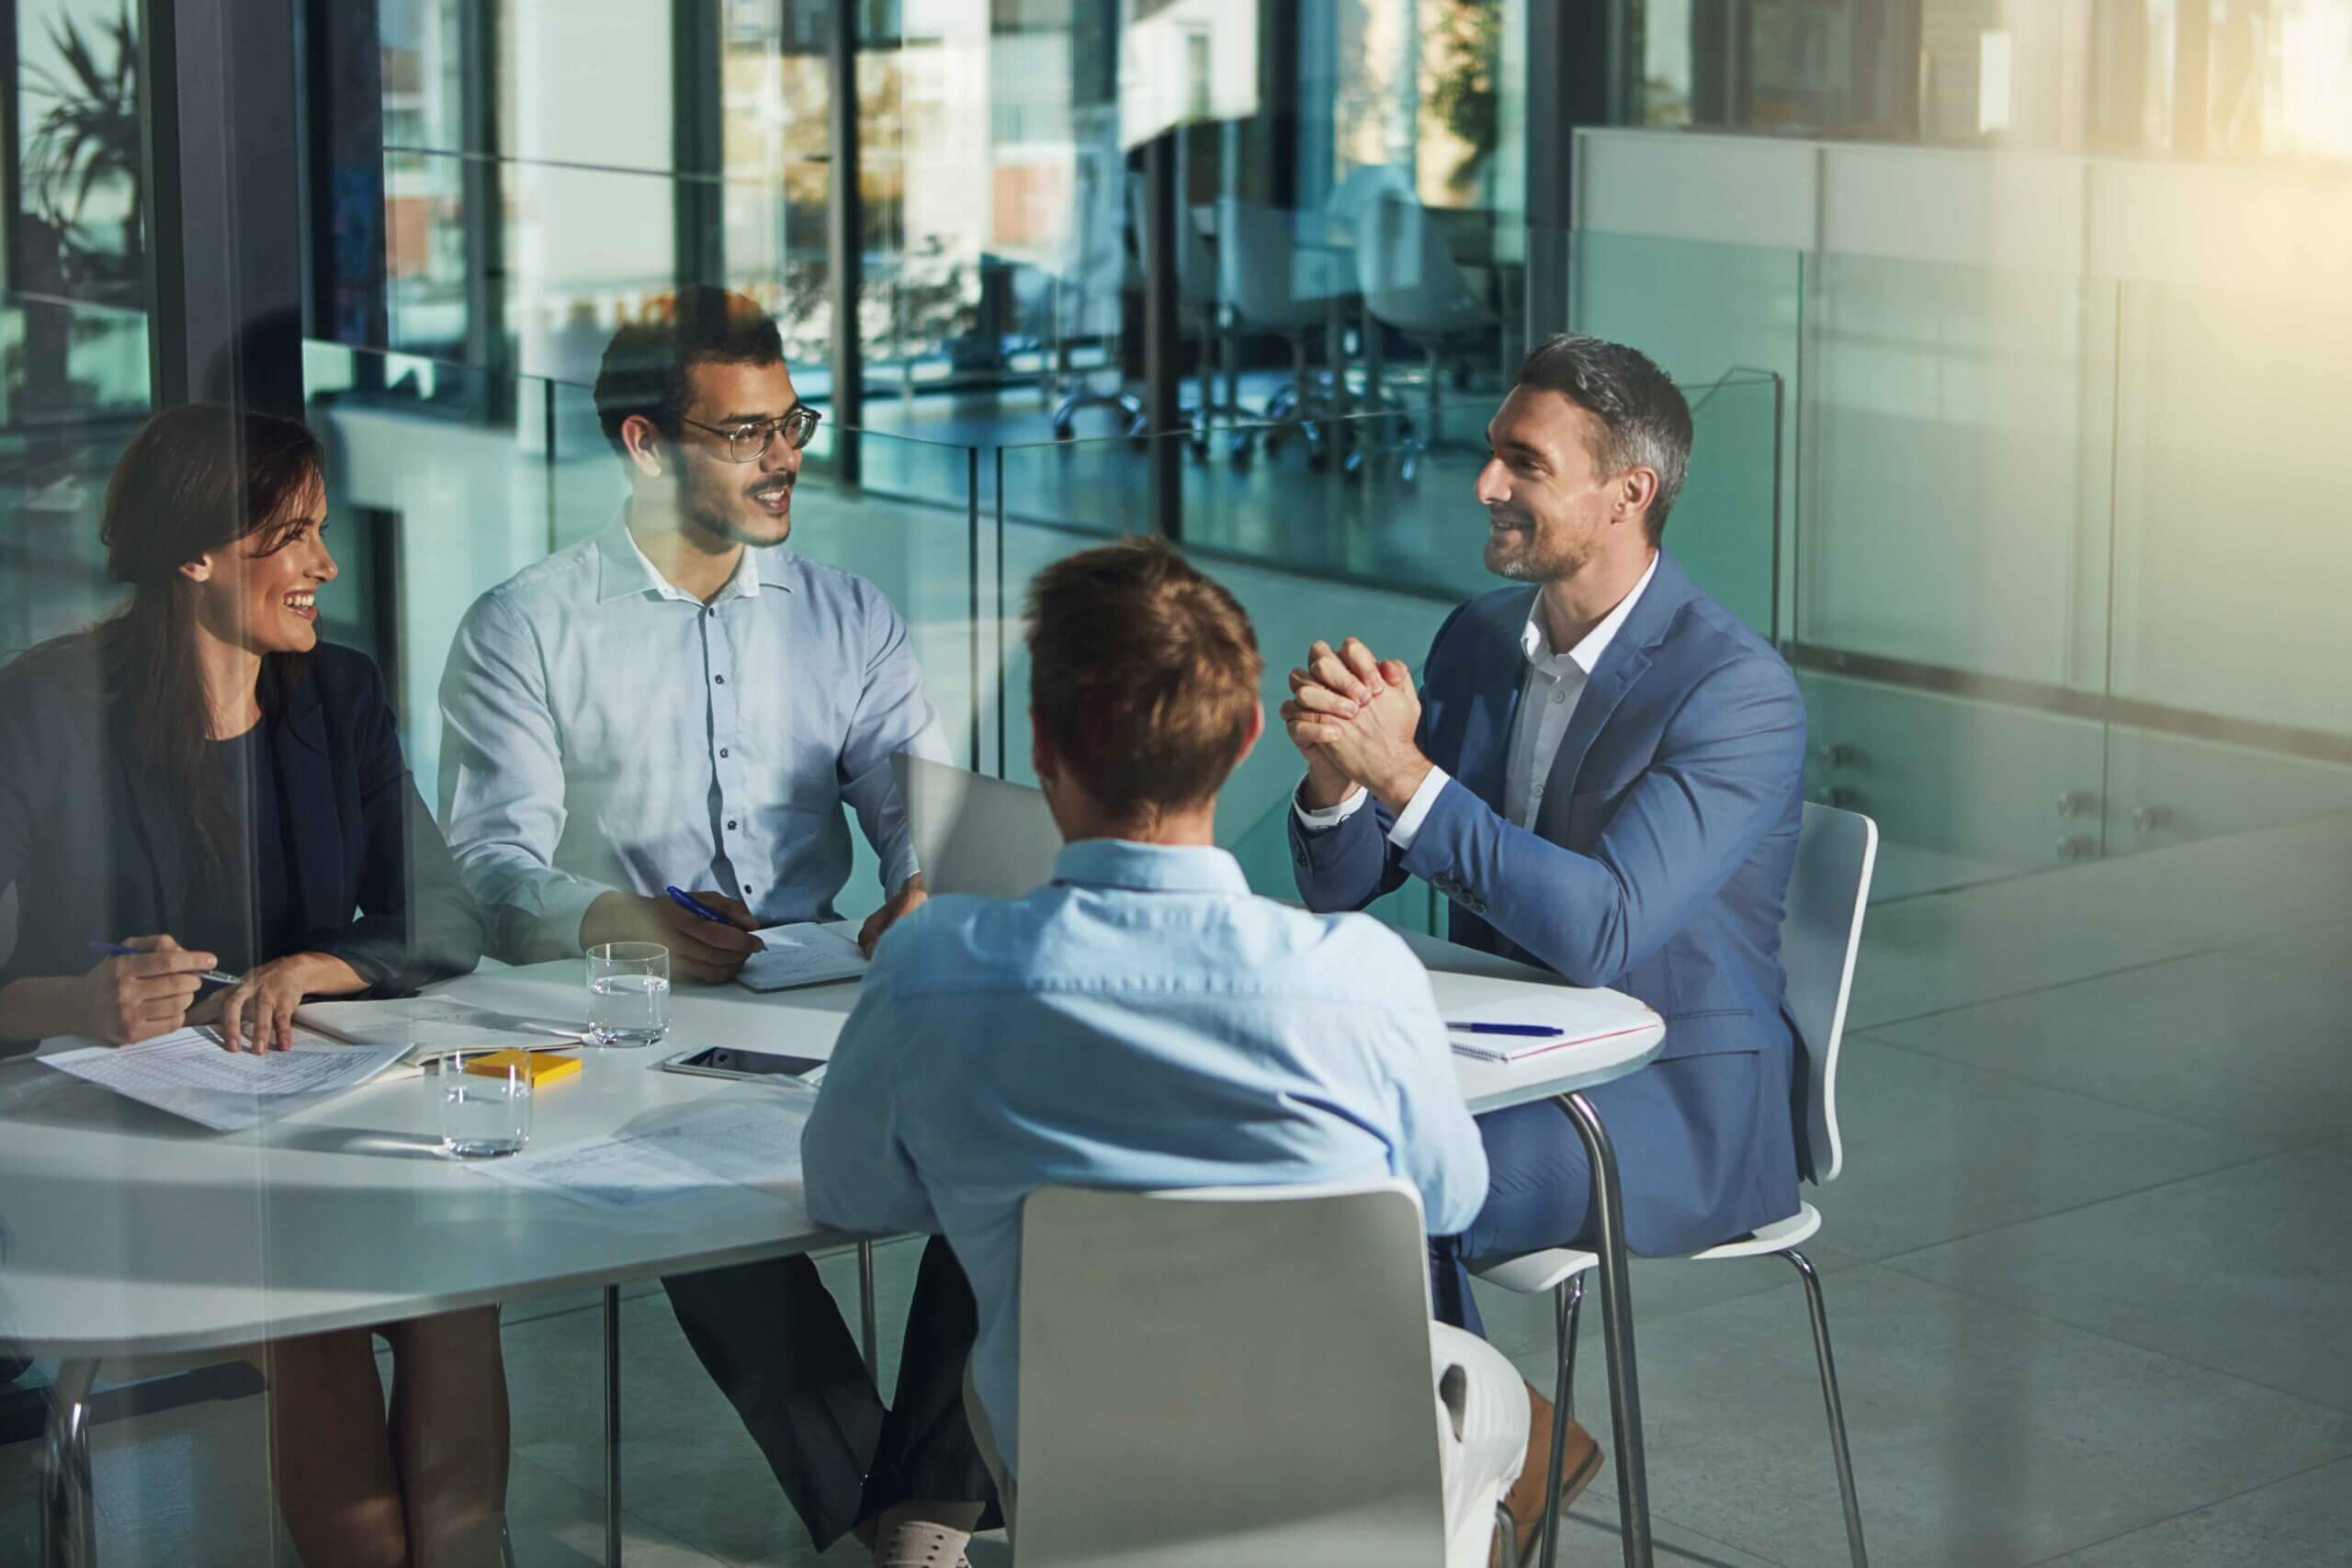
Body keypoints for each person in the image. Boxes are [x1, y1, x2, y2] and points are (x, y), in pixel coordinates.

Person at [803, 537, 1528, 1568]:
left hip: (1079, 1490)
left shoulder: (928, 970)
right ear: (1243, 743)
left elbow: (846, 1189)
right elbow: (1450, 1203)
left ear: (1043, 745)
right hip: (1340, 1487)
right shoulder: (1358, 979)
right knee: (1476, 1396)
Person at [436, 286, 980, 1560]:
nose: (786, 455)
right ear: (643, 443)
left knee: (1012, 1142)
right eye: (746, 433)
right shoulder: (527, 623)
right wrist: (618, 916)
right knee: (697, 1202)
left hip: (833, 987)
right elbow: (490, 860)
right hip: (634, 1021)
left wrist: (924, 879)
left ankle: (922, 1512)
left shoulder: (849, 615)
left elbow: (925, 806)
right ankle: (904, 1527)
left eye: (790, 420)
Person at [1282, 333, 1809, 1557]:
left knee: (1382, 1190)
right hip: (1500, 1065)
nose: (1486, 484)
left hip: (1669, 1098)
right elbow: (1350, 884)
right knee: (1295, 1151)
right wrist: (1337, 785)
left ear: (1627, 491)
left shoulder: (1734, 689)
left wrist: (1406, 774)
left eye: (1524, 461)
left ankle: (1421, 1507)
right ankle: (1509, 1443)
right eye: (1491, 454)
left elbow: (1604, 927)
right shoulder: (1481, 638)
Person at [0, 403, 504, 1567]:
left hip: (313, 1105)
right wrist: (77, 1003)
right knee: (313, 1314)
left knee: (460, 1285)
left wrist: (313, 968)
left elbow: (446, 913)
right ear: (194, 553)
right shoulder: (45, 708)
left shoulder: (339, 693)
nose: (325, 565)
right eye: (294, 537)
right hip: (120, 1133)